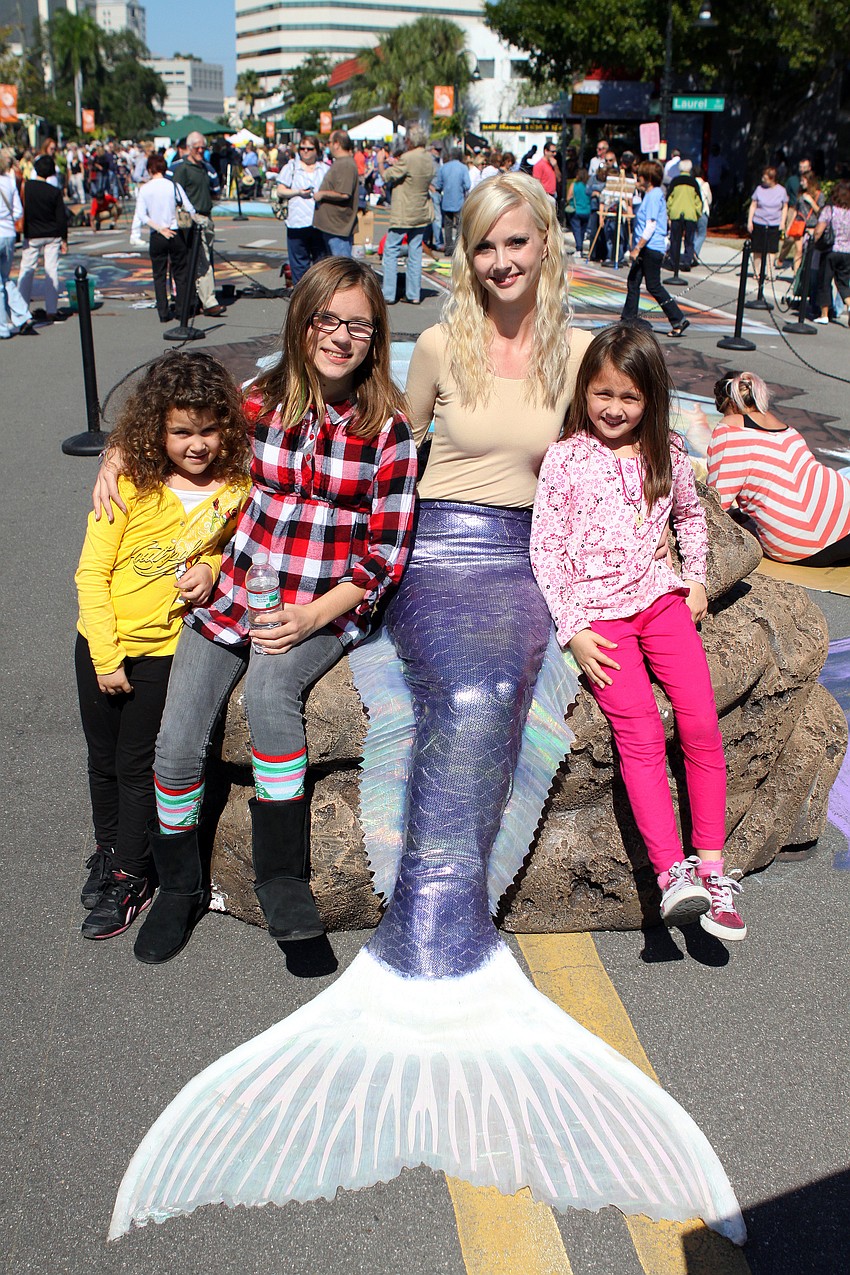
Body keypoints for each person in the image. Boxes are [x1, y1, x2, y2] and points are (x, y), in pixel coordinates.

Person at [107, 179, 747, 1251]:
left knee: (499, 690)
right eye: (483, 246)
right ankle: (412, 961)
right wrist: (128, 475)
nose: (502, 261)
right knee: (465, 686)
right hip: (438, 556)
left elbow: (644, 442)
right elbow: (358, 441)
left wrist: (725, 453)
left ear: (544, 245)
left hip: (527, 559)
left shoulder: (582, 347)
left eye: (517, 243)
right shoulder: (440, 345)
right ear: (464, 253)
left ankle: (441, 952)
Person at [94, 258, 418, 963]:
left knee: (273, 693)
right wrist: (118, 453)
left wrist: (312, 618)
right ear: (302, 321)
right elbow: (182, 435)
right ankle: (179, 885)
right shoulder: (259, 400)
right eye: (327, 318)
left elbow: (384, 556)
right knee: (177, 739)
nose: (340, 335)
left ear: (376, 334)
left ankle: (281, 878)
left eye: (357, 323)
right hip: (236, 587)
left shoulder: (385, 429)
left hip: (321, 600)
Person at [531, 323, 743, 941]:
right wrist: (572, 629)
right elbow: (546, 548)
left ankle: (713, 869)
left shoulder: (666, 451)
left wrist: (697, 577)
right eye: (603, 395)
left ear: (651, 399)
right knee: (642, 735)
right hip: (600, 621)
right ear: (585, 392)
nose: (615, 410)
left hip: (660, 601)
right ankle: (672, 872)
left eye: (629, 397)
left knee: (701, 722)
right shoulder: (567, 457)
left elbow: (689, 515)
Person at [75, 352, 249, 939]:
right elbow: (91, 575)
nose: (196, 444)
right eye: (181, 431)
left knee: (136, 765)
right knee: (102, 760)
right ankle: (109, 853)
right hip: (101, 645)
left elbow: (245, 551)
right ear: (158, 429)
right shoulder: (128, 484)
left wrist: (214, 568)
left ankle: (132, 872)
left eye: (208, 429)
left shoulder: (238, 490)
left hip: (164, 652)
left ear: (227, 424)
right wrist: (104, 655)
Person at [707, 371, 850, 566]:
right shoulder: (788, 430)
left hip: (799, 544)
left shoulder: (729, 430)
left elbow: (715, 502)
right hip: (844, 517)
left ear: (729, 404)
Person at [620, 160, 690, 337]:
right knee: (633, 281)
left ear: (648, 179)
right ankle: (627, 319)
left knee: (653, 285)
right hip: (650, 247)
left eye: (641, 177)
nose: (638, 179)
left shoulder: (653, 196)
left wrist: (638, 247)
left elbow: (650, 225)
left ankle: (678, 318)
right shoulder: (655, 194)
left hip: (650, 247)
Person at [130, 153, 198, 324]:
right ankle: (182, 310)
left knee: (159, 275)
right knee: (180, 274)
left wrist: (158, 228)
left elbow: (141, 215)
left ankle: (163, 311)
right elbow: (190, 208)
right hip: (175, 232)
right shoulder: (173, 186)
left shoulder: (145, 189)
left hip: (157, 234)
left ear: (150, 170)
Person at [377, 125, 434, 305]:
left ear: (409, 140)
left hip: (404, 210)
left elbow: (387, 176)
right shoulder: (428, 157)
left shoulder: (408, 157)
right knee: (415, 251)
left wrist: (380, 162)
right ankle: (413, 293)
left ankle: (388, 293)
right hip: (421, 209)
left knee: (391, 249)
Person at [172, 132, 226, 318]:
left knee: (204, 259)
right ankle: (209, 301)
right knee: (202, 261)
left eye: (203, 147)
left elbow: (214, 191)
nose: (201, 151)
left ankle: (198, 300)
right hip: (192, 220)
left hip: (206, 216)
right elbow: (177, 196)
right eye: (197, 148)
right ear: (188, 148)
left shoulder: (205, 167)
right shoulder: (182, 168)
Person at [17, 154, 68, 323]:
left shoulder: (27, 188)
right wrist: (64, 239)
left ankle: (21, 309)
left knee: (27, 270)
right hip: (52, 233)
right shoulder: (54, 191)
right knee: (51, 270)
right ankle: (51, 309)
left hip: (32, 233)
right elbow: (61, 218)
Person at [274, 134, 328, 284]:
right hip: (296, 222)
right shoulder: (291, 167)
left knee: (320, 263)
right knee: (299, 264)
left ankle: (318, 295)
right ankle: (301, 297)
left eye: (309, 149)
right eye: (302, 148)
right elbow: (280, 190)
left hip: (319, 223)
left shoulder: (324, 169)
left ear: (316, 150)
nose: (305, 152)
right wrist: (298, 192)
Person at [312, 129, 360, 257]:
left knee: (342, 268)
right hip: (332, 227)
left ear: (337, 144)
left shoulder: (346, 164)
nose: (328, 146)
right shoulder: (340, 162)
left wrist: (322, 194)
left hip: (338, 228)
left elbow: (344, 193)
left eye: (329, 142)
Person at [814, 178, 850, 324]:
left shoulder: (830, 209)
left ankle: (824, 314)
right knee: (842, 282)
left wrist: (813, 242)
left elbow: (819, 229)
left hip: (831, 250)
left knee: (825, 281)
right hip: (847, 252)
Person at [0, 148, 26, 340]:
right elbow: (18, 211)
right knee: (4, 278)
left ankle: (3, 326)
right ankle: (22, 314)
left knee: (1, 282)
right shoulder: (9, 182)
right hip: (8, 233)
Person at [747, 166, 788, 283]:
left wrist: (782, 222)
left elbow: (785, 207)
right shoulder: (759, 189)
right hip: (759, 221)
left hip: (774, 223)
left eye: (766, 178)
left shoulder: (781, 191)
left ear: (772, 179)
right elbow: (753, 205)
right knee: (757, 249)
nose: (763, 180)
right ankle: (757, 271)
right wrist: (750, 221)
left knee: (771, 249)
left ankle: (769, 272)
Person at [432, 146, 470, 256]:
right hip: (459, 201)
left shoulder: (444, 168)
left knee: (447, 226)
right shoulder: (463, 168)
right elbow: (467, 185)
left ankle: (448, 248)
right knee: (459, 225)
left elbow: (438, 184)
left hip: (446, 201)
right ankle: (458, 249)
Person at [665, 159, 702, 271]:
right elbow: (698, 200)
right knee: (689, 240)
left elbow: (669, 198)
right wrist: (697, 213)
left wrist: (669, 212)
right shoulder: (694, 182)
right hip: (690, 214)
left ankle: (673, 262)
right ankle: (687, 261)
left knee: (675, 239)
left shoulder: (675, 181)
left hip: (676, 213)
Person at [567, 166, 591, 257]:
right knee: (583, 230)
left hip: (576, 210)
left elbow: (568, 197)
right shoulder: (588, 186)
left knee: (576, 230)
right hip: (587, 211)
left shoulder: (574, 185)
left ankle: (579, 248)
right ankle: (580, 247)